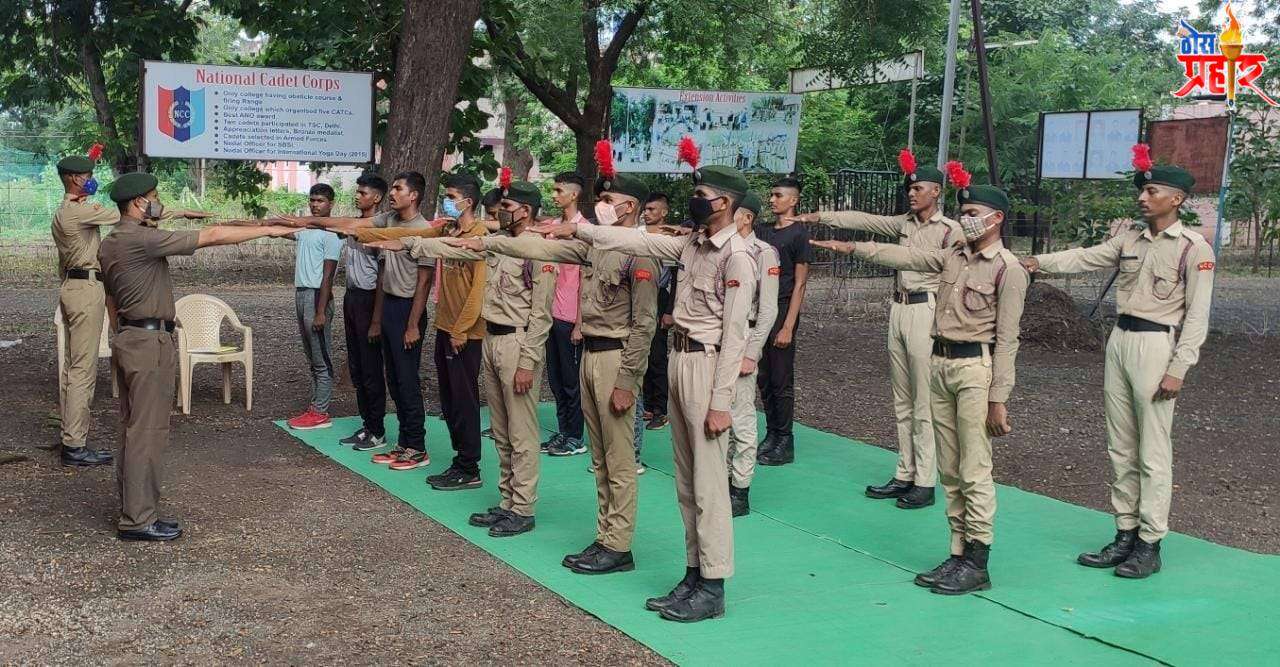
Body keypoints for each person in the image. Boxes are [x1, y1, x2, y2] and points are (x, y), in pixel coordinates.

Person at [537, 164, 756, 622]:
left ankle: (713, 585)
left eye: (701, 193)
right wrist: (578, 231)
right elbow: (633, 240)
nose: (695, 200)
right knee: (686, 482)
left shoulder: (737, 255)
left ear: (724, 203)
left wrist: (721, 402)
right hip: (679, 358)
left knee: (710, 485)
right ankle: (694, 573)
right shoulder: (689, 244)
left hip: (708, 364)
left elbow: (735, 334)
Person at [812, 183, 1028, 595]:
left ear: (997, 218)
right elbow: (908, 255)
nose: (967, 218)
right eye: (964, 211)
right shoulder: (953, 256)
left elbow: (1009, 338)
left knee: (974, 468)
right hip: (940, 362)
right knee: (949, 468)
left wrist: (999, 398)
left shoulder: (1007, 268)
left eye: (975, 211)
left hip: (974, 370)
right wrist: (853, 248)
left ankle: (978, 559)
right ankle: (958, 550)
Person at [1022, 157, 1213, 579]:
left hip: (1157, 345)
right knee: (1120, 445)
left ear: (1176, 199)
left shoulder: (1192, 248)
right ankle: (1124, 532)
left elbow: (1198, 315)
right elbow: (1085, 257)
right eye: (1142, 191)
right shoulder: (1131, 239)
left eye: (1152, 192)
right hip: (1121, 340)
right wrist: (1038, 262)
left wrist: (1180, 366)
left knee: (1153, 450)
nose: (1143, 197)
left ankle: (1149, 542)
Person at [467, 165, 657, 574]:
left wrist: (627, 381)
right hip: (590, 352)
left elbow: (645, 324)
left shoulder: (640, 253)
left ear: (629, 207)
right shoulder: (597, 248)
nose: (600, 206)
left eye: (607, 201)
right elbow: (539, 251)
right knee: (602, 459)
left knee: (619, 458)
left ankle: (619, 544)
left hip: (615, 357)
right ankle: (605, 535)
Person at [97, 172, 293, 541]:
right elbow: (214, 236)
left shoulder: (113, 241)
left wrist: (120, 332)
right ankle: (138, 520)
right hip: (148, 342)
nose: (159, 203)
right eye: (154, 198)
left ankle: (134, 509)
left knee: (132, 429)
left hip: (129, 337)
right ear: (138, 203)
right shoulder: (142, 239)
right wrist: (270, 230)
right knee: (147, 433)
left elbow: (110, 298)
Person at [368, 180, 556, 537]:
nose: (502, 210)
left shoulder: (538, 252)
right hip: (493, 339)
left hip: (518, 342)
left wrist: (528, 362)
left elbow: (542, 315)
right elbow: (455, 247)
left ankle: (524, 507)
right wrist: (410, 242)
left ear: (526, 211)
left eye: (509, 205)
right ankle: (507, 502)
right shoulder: (499, 245)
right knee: (501, 430)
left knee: (521, 432)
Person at [789, 153, 962, 509]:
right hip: (899, 307)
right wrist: (820, 217)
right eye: (910, 189)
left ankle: (926, 481)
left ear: (937, 192)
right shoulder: (905, 223)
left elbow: (944, 271)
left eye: (918, 188)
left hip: (927, 309)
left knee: (924, 400)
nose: (911, 194)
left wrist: (857, 248)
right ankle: (904, 472)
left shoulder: (950, 231)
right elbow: (864, 218)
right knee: (902, 399)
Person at [51, 153, 210, 467]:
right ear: (74, 179)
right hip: (87, 288)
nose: (91, 179)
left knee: (72, 369)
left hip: (71, 287)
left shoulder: (62, 212)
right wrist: (182, 212)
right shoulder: (82, 211)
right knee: (82, 370)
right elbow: (129, 214)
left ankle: (71, 437)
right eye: (87, 175)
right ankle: (74, 446)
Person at [347, 174, 489, 490]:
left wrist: (459, 329)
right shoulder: (448, 229)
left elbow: (476, 289)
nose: (446, 203)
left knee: (462, 399)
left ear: (467, 201)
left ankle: (464, 464)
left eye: (451, 197)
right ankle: (455, 460)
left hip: (462, 331)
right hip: (445, 325)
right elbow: (404, 236)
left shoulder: (480, 236)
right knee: (448, 399)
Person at [286, 172, 435, 471]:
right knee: (392, 377)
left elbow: (424, 283)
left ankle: (416, 447)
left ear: (414, 195)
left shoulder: (424, 230)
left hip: (405, 307)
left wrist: (412, 324)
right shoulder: (390, 220)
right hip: (388, 303)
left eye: (398, 188)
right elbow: (354, 225)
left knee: (406, 381)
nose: (393, 192)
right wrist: (306, 222)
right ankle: (402, 443)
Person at [727, 193, 780, 517]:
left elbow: (769, 310)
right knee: (719, 412)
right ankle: (722, 480)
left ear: (746, 218)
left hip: (745, 335)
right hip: (720, 337)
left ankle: (740, 490)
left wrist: (752, 351)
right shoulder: (725, 248)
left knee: (742, 419)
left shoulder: (764, 253)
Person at [754, 176, 812, 466]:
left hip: (782, 308)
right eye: (772, 195)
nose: (773, 199)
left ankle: (785, 440)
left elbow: (800, 283)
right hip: (761, 309)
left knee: (781, 378)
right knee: (763, 375)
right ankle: (772, 433)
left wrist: (788, 325)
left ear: (794, 200)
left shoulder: (799, 234)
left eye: (779, 195)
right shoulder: (762, 231)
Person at [284, 184, 345, 430]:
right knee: (311, 354)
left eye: (320, 201)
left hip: (317, 296)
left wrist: (320, 311)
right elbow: (279, 231)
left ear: (330, 203)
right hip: (301, 294)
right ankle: (315, 405)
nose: (314, 205)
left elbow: (328, 276)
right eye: (312, 200)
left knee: (322, 356)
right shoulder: (306, 230)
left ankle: (321, 411)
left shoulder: (332, 234)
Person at [337, 174, 390, 451]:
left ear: (376, 197)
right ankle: (366, 424)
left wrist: (377, 319)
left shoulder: (380, 228)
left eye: (362, 192)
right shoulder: (352, 225)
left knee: (371, 368)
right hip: (352, 298)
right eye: (357, 192)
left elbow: (382, 275)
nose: (357, 196)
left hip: (371, 300)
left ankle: (378, 429)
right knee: (357, 366)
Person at [543, 172, 588, 457]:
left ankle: (575, 437)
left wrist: (580, 323)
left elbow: (586, 280)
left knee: (572, 382)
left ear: (573, 195)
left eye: (559, 191)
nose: (554, 195)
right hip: (551, 314)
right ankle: (563, 431)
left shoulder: (583, 230)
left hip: (571, 317)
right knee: (556, 379)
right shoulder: (552, 227)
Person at [641, 192, 673, 430]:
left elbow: (677, 277)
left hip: (660, 295)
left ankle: (661, 409)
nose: (647, 213)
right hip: (639, 293)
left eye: (652, 209)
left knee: (657, 353)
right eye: (646, 209)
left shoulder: (670, 238)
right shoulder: (638, 235)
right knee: (641, 350)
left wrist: (670, 310)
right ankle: (647, 405)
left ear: (664, 212)